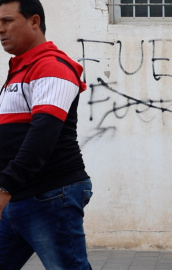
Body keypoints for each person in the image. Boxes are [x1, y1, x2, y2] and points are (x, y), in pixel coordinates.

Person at [0, 0, 92, 269]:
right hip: (18, 196)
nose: (1, 30)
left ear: (34, 21)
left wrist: (5, 186)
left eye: (7, 21)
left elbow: (42, 136)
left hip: (49, 196)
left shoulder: (52, 67)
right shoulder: (20, 69)